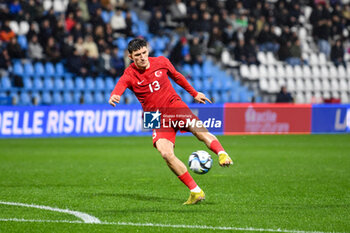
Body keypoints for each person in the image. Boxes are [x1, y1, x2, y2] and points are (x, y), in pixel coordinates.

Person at [109, 38, 233, 205]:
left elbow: (177, 77)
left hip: (173, 104)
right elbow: (120, 86)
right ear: (131, 57)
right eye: (137, 55)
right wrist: (115, 95)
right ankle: (195, 191)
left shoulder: (161, 61)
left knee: (196, 128)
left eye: (144, 52)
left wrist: (194, 93)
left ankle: (222, 154)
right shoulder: (129, 74)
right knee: (165, 153)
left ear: (148, 50)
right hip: (153, 117)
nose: (142, 57)